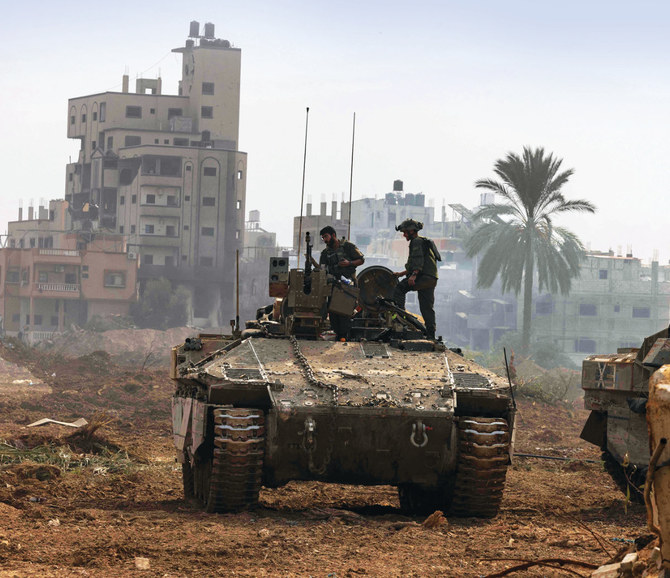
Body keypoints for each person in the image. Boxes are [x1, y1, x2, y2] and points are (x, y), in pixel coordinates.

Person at [392, 219, 440, 340]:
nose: (404, 235)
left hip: (423, 277)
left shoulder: (416, 242)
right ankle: (430, 334)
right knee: (427, 307)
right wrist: (401, 274)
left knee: (400, 289)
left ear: (412, 231)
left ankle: (402, 319)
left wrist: (413, 275)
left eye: (405, 232)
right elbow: (415, 264)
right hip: (431, 278)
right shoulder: (422, 241)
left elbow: (418, 261)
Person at [319, 226, 365, 340]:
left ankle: (344, 336)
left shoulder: (348, 246)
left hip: (347, 285)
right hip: (333, 285)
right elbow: (322, 269)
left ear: (333, 235)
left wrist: (349, 263)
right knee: (333, 312)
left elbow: (361, 260)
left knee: (345, 312)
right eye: (323, 237)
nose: (324, 240)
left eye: (326, 236)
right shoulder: (325, 253)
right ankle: (338, 334)